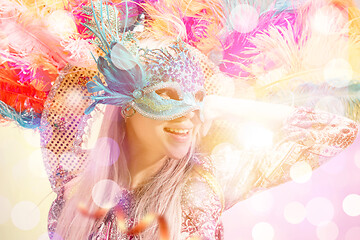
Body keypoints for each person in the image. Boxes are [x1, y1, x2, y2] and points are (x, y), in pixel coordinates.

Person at [0, 0, 359, 239]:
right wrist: (107, 62)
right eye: (169, 96)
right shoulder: (74, 192)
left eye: (197, 101)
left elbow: (337, 132)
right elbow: (65, 114)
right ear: (126, 105)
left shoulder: (208, 181)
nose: (189, 113)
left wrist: (220, 103)